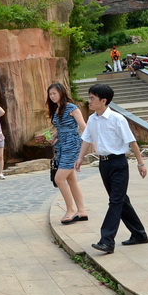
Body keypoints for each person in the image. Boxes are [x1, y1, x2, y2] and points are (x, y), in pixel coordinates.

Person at [75, 83, 148, 254]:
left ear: (104, 100)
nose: (89, 101)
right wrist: (80, 158)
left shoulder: (117, 119)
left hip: (118, 164)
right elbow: (87, 139)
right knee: (121, 200)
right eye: (89, 97)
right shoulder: (92, 119)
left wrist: (141, 163)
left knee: (115, 201)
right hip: (104, 164)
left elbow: (132, 142)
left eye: (92, 98)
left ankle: (107, 241)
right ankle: (139, 234)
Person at [47, 82, 88, 224]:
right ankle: (82, 211)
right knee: (71, 180)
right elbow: (61, 127)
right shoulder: (57, 108)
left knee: (59, 179)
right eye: (50, 94)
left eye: (54, 93)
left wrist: (92, 145)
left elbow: (84, 127)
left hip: (72, 145)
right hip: (61, 146)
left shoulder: (72, 108)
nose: (52, 96)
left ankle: (70, 210)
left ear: (61, 93)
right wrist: (55, 136)